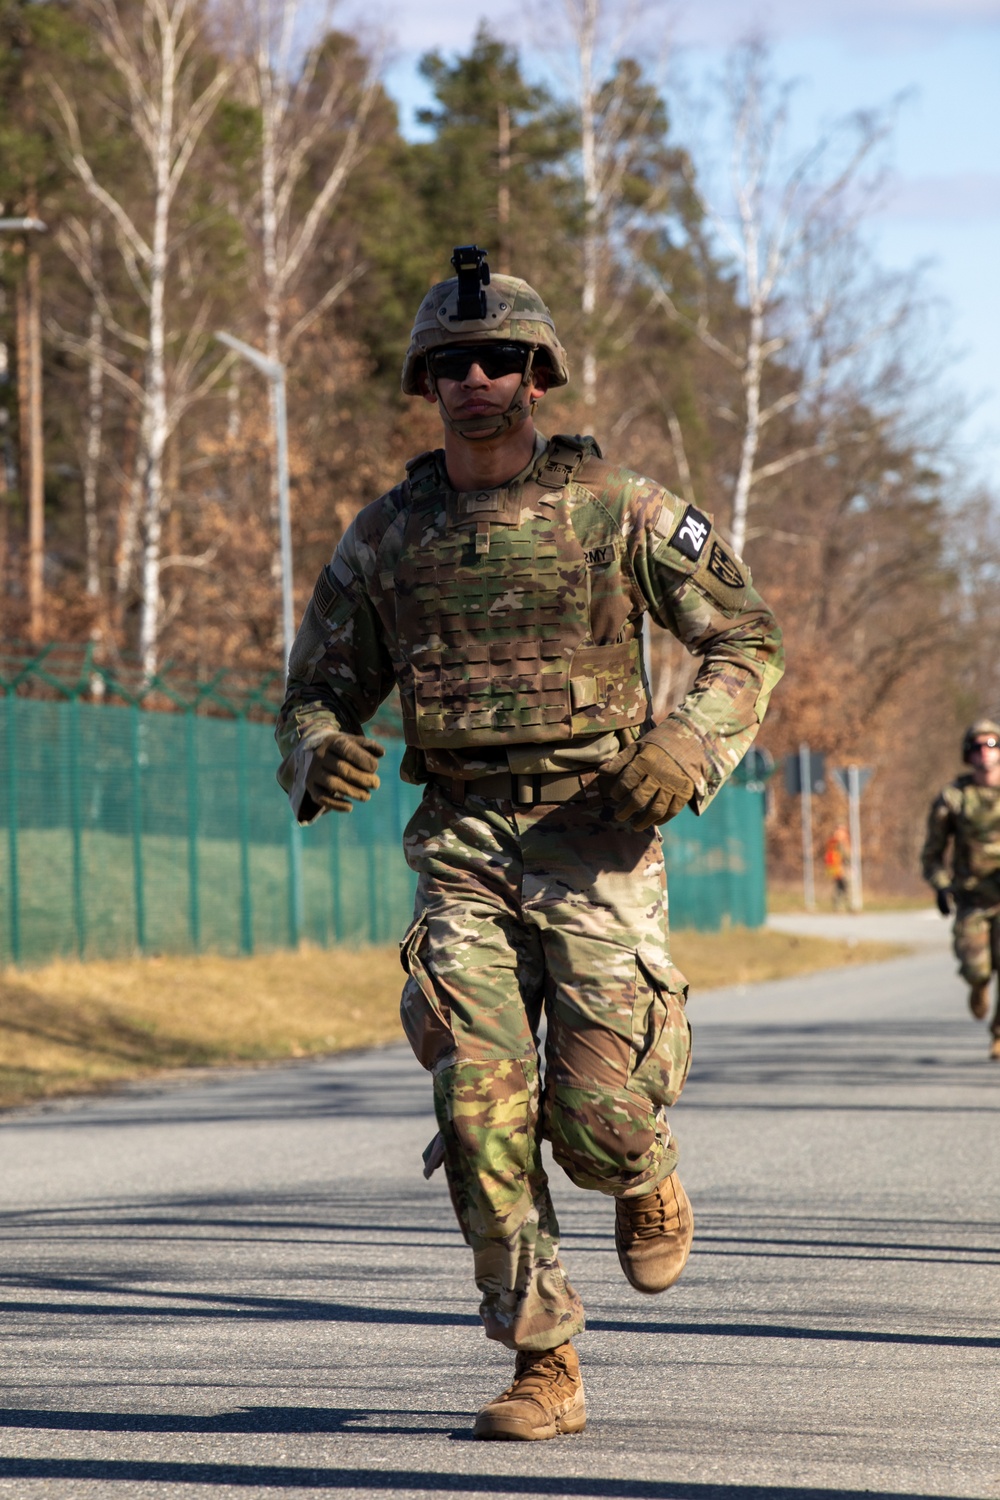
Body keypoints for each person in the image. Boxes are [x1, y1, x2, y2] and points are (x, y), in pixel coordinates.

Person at [275, 246, 784, 1440]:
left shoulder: (620, 508)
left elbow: (746, 639)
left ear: (538, 374)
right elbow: (313, 694)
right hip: (460, 843)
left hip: (598, 836)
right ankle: (542, 1357)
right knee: (477, 1104)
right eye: (452, 364)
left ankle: (639, 1167)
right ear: (426, 382)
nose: (476, 380)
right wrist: (316, 750)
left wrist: (688, 743)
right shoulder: (386, 537)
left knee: (594, 1120)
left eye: (500, 359)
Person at [922, 719, 1000, 1061]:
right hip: (972, 899)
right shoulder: (954, 798)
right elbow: (932, 853)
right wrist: (941, 887)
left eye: (991, 744)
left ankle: (999, 1035)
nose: (985, 752)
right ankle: (979, 986)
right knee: (976, 968)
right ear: (968, 754)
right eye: (978, 746)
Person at [823, 825, 850, 911]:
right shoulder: (835, 842)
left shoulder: (838, 842)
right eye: (842, 831)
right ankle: (846, 905)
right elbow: (843, 856)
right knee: (845, 885)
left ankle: (839, 906)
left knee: (840, 886)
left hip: (838, 868)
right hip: (839, 868)